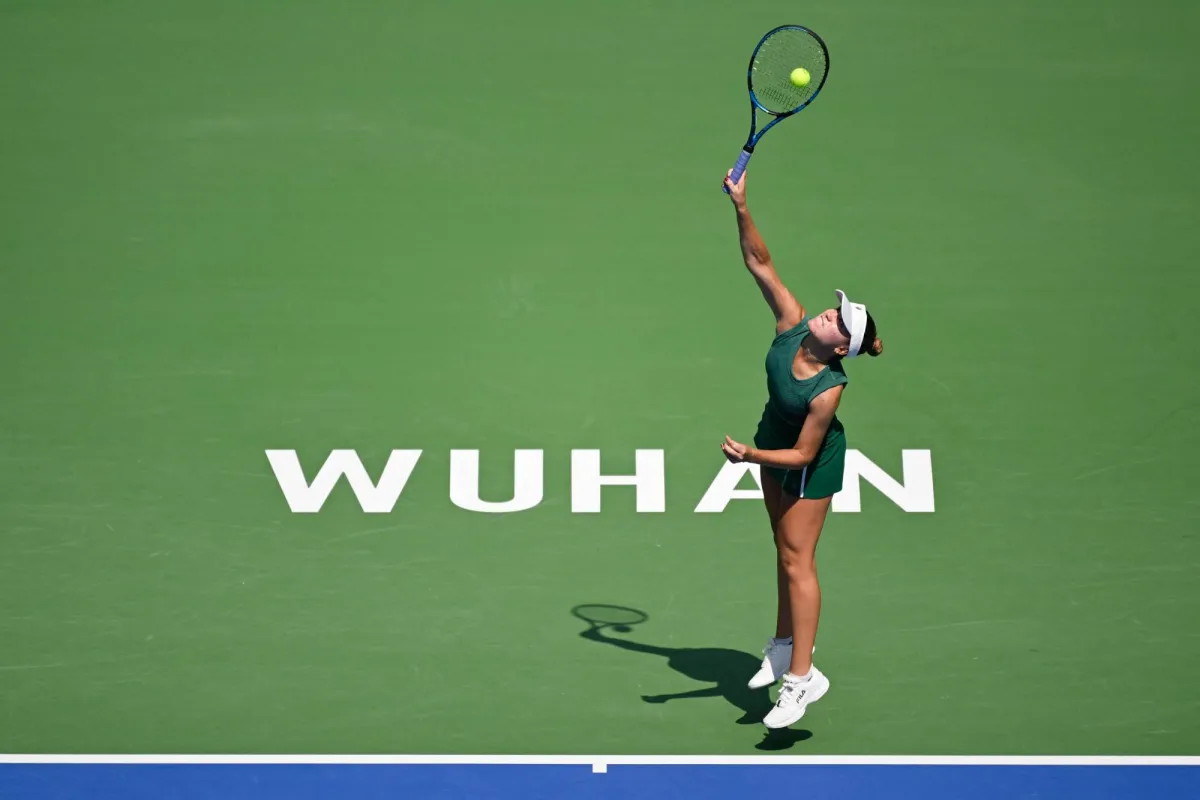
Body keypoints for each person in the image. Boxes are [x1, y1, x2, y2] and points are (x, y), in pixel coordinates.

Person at [719, 168, 884, 729]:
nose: (828, 313)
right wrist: (742, 206)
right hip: (772, 444)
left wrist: (750, 457)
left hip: (806, 463)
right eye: (834, 309)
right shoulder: (791, 324)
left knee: (798, 559)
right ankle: (784, 644)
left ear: (841, 347)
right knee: (782, 549)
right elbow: (760, 263)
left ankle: (802, 679)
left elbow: (804, 457)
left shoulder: (828, 389)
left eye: (838, 320)